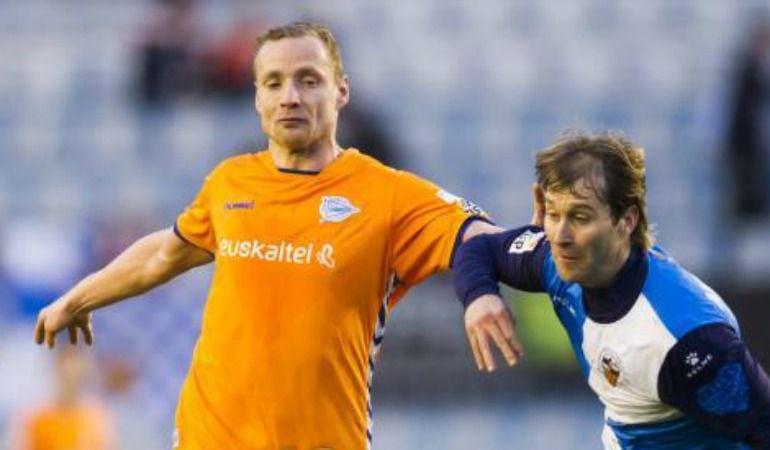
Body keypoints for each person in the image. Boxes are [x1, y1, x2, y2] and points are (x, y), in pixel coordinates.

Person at [35, 22, 500, 449]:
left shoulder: (387, 193)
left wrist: (479, 289)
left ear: (341, 90)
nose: (289, 97)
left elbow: (477, 235)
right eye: (274, 83)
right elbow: (163, 255)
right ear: (257, 97)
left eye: (308, 80)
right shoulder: (230, 181)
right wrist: (79, 298)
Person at [453, 131, 770, 449]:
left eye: (580, 217)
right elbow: (479, 248)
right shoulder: (558, 262)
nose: (560, 235)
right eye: (553, 213)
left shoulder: (687, 339)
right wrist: (480, 295)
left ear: (627, 220)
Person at [11, 346, 115, 450]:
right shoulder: (35, 418)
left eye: (75, 364)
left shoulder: (96, 420)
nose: (71, 372)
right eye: (66, 364)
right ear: (56, 368)